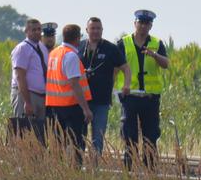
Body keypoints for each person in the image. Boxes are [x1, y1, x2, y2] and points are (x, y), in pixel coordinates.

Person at [117, 9, 169, 169]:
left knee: (150, 136)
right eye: (141, 23)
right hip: (129, 96)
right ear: (135, 23)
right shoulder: (123, 43)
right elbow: (115, 67)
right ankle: (128, 169)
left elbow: (166, 64)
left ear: (150, 26)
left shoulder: (157, 43)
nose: (143, 26)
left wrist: (155, 55)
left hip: (150, 97)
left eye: (147, 23)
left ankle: (150, 170)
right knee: (129, 136)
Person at [45, 23, 93, 165]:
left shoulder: (54, 53)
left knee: (57, 142)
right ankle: (74, 171)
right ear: (77, 38)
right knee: (76, 143)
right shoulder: (70, 55)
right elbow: (74, 84)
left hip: (54, 105)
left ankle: (54, 170)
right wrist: (86, 109)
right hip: (71, 106)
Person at [79, 16, 126, 157]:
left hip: (101, 101)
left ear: (102, 30)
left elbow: (125, 68)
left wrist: (126, 85)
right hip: (81, 101)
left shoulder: (111, 48)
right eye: (92, 28)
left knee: (98, 138)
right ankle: (76, 167)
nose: (95, 31)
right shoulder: (79, 46)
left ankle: (95, 170)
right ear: (87, 30)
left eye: (98, 28)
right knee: (79, 136)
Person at [9, 17, 49, 142]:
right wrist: (27, 101)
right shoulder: (22, 48)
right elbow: (20, 76)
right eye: (33, 30)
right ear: (26, 31)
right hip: (26, 94)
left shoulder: (42, 48)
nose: (37, 32)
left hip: (40, 95)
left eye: (39, 30)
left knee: (39, 133)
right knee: (24, 130)